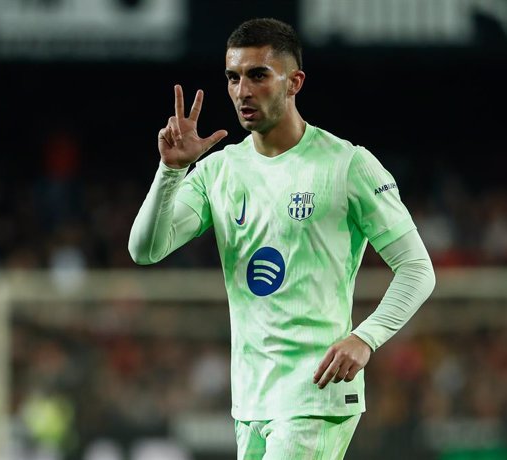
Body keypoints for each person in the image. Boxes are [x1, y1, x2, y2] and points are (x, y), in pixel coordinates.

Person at [128, 17, 436, 459]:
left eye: (258, 75)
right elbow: (145, 249)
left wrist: (365, 338)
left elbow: (417, 268)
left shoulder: (348, 165)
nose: (242, 91)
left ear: (294, 82)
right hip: (251, 401)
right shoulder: (220, 170)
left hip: (316, 394)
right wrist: (171, 170)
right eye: (233, 78)